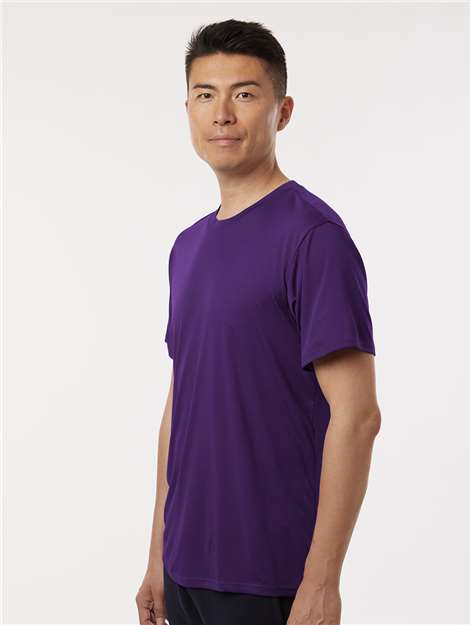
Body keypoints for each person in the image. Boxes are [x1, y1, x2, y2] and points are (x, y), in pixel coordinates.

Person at [136, 18, 381, 625]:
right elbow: (181, 403)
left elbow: (357, 416)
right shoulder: (187, 247)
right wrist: (158, 552)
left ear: (282, 111)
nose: (221, 114)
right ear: (188, 110)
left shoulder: (313, 238)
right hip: (185, 565)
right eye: (205, 95)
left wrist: (322, 581)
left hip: (268, 570)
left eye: (244, 94)